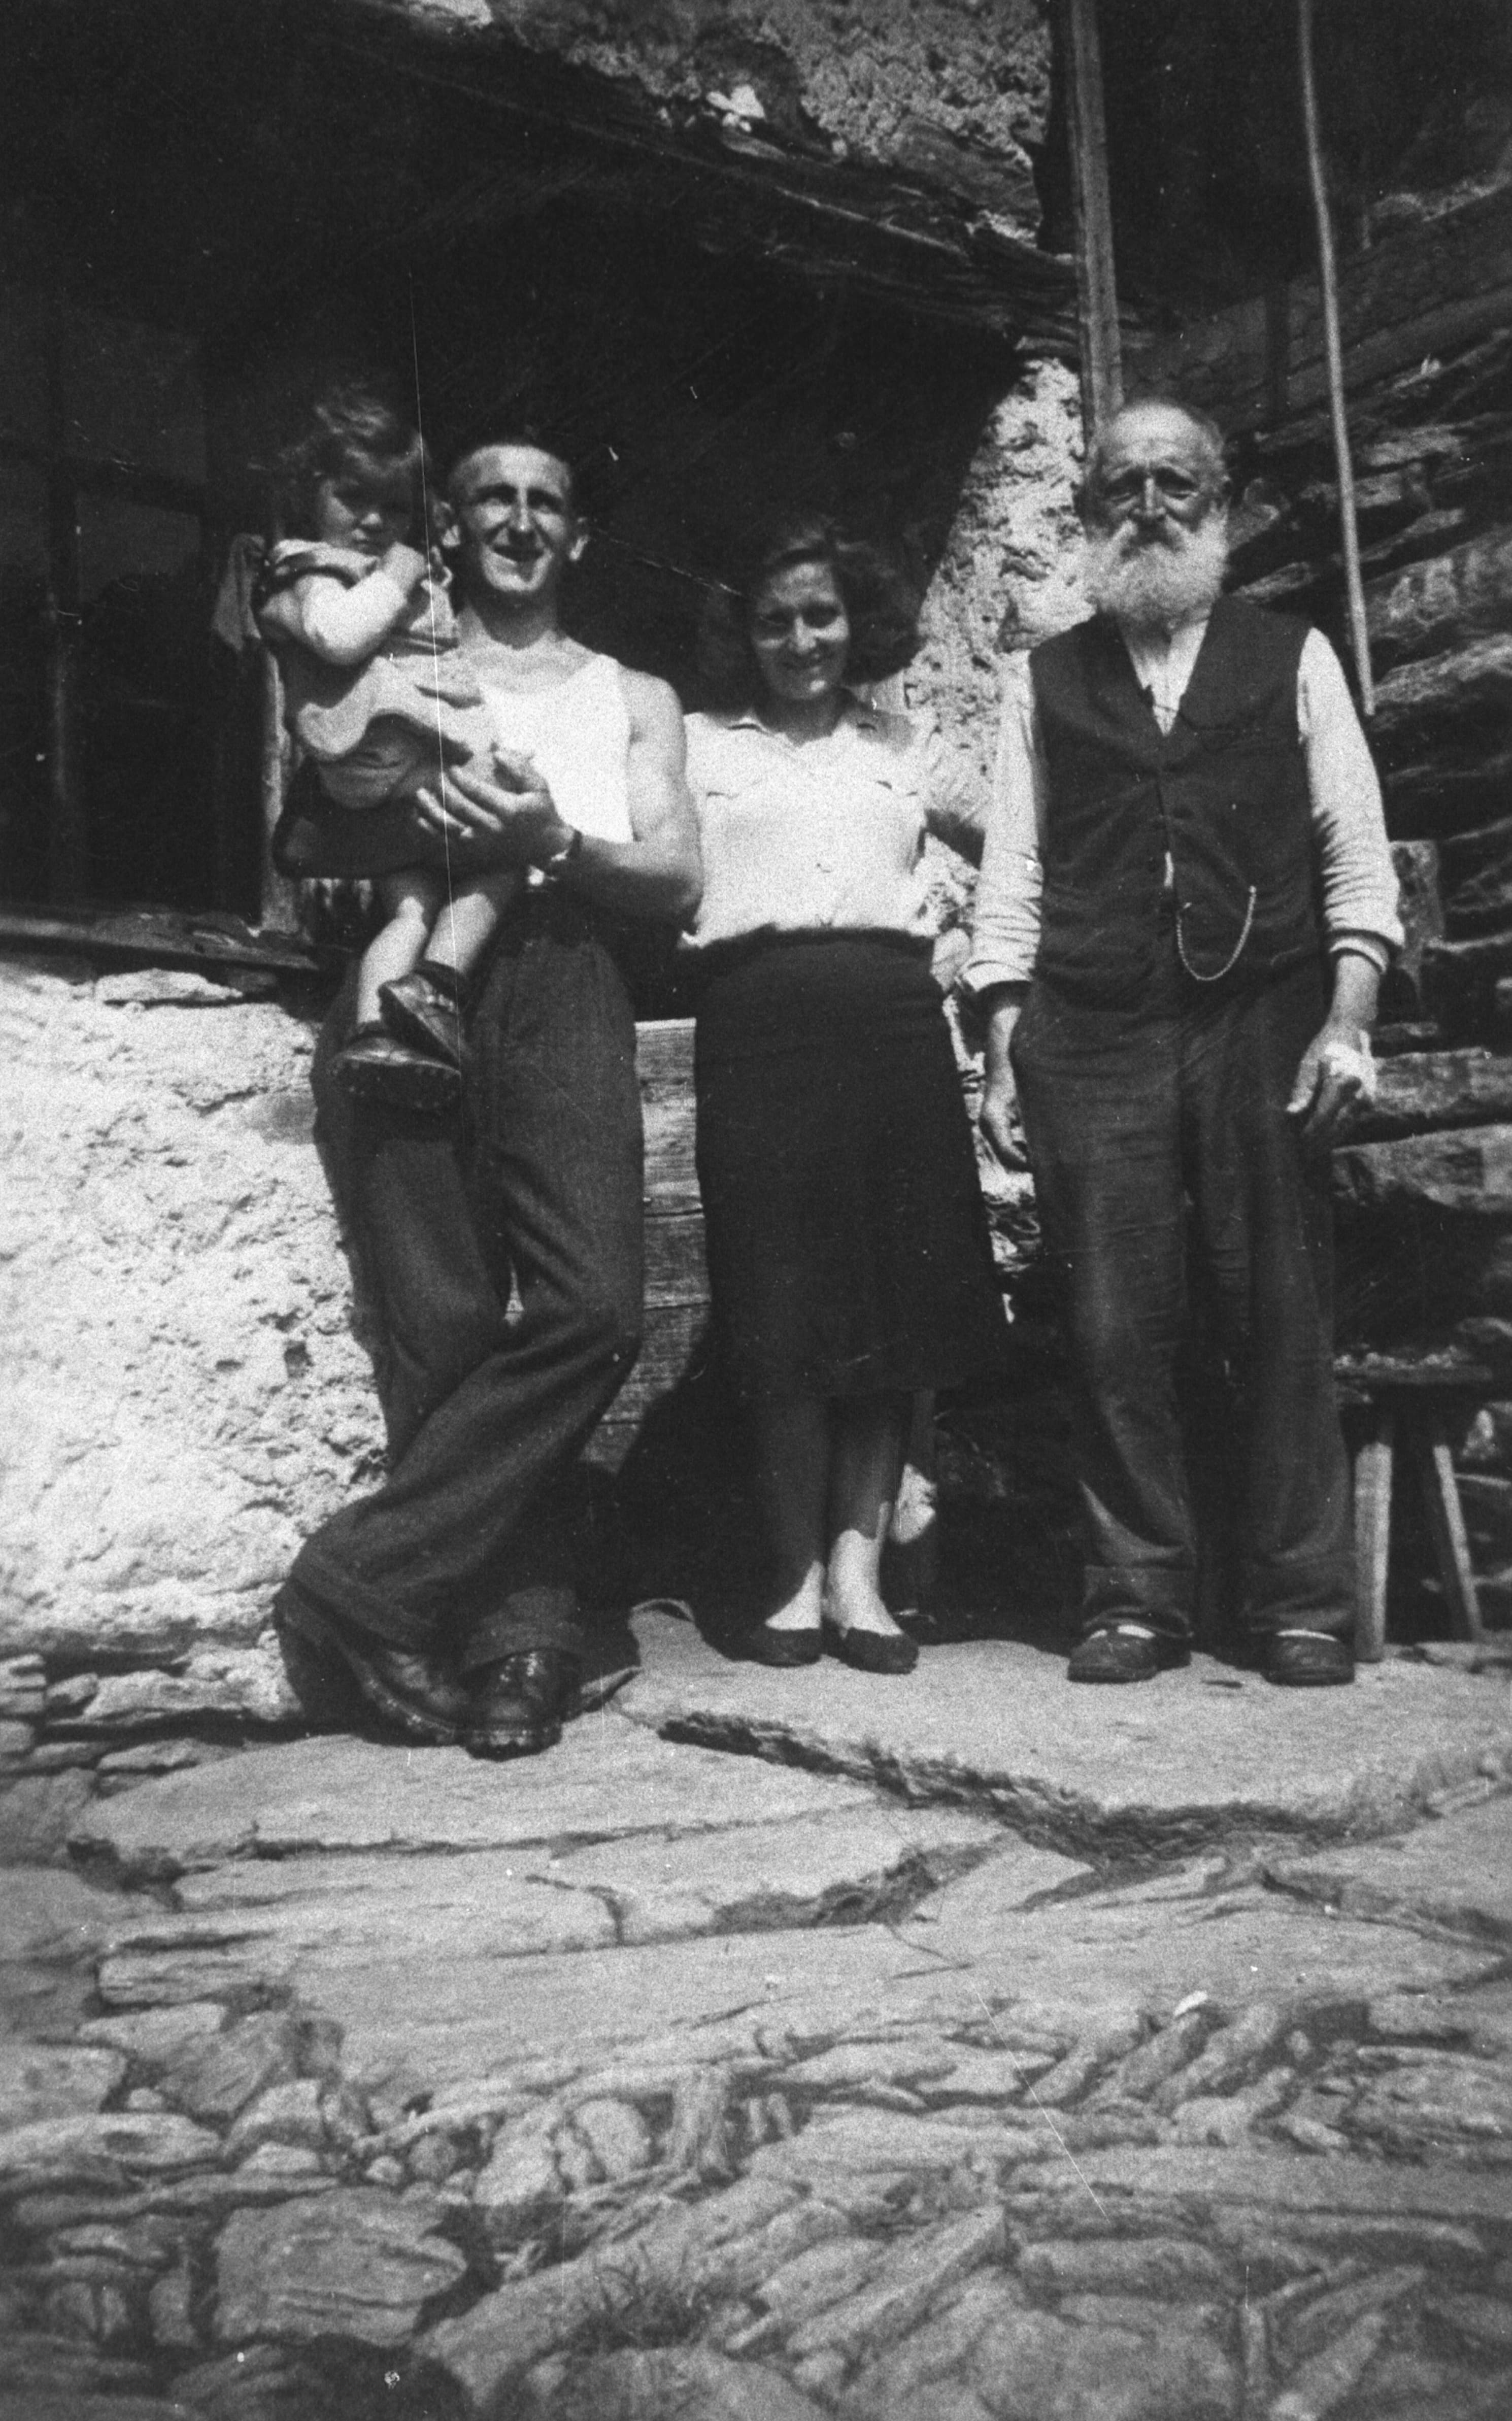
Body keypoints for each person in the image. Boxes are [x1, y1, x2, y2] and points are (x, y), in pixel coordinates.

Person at [273, 431, 701, 1757]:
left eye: (546, 501)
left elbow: (678, 878)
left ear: (576, 537)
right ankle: (512, 1637)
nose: (519, 520)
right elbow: (316, 826)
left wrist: (551, 842)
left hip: (565, 974)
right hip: (400, 983)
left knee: (591, 1307)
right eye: (491, 500)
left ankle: (359, 1579)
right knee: (445, 1324)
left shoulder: (630, 693)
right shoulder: (404, 662)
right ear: (447, 531)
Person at [966, 396, 1401, 1689]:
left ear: (1221, 509)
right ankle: (1136, 1595)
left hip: (1259, 1015)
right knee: (1109, 1317)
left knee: (1275, 1299)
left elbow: (1353, 851)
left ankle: (1298, 1598)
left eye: (1176, 482)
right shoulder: (1042, 681)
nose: (1147, 505)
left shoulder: (1292, 656)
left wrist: (1347, 1018)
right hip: (1090, 1029)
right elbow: (1013, 872)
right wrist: (1000, 1044)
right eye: (1121, 485)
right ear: (1087, 513)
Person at [684, 513, 1008, 1675]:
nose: (799, 638)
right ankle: (788, 1579)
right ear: (743, 634)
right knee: (780, 1308)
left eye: (819, 614)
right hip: (757, 1024)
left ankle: (859, 1582)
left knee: (888, 1309)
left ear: (856, 621)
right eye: (773, 620)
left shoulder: (908, 744)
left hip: (887, 1026)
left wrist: (1003, 973)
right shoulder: (697, 746)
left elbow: (1022, 832)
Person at [257, 388, 517, 1111]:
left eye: (394, 507)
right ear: (309, 495)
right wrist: (403, 571)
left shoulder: (352, 563)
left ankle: (377, 1031)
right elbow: (341, 636)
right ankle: (438, 986)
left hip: (392, 759)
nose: (374, 522)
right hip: (387, 748)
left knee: (410, 905)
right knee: (504, 859)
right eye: (353, 498)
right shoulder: (309, 569)